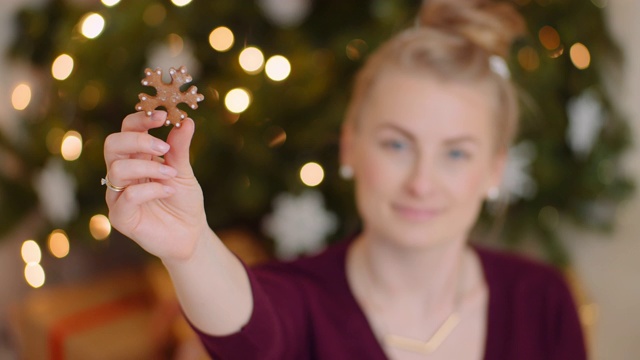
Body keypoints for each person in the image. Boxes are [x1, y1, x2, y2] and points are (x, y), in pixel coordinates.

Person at [103, 1, 587, 359]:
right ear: (351, 145)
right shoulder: (299, 301)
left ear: (495, 169)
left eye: (456, 153)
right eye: (397, 144)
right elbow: (248, 331)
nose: (421, 182)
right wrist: (190, 247)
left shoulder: (542, 301)